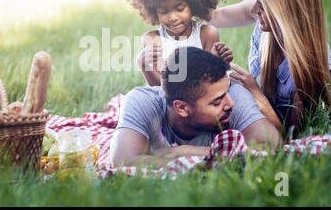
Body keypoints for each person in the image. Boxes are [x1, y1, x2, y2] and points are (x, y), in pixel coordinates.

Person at [208, 0, 331, 136]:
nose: (253, 8)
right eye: (256, 0)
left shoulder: (309, 68)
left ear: (287, 11)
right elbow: (215, 17)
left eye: (263, 5)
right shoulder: (267, 26)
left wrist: (256, 94)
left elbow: (289, 136)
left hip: (266, 128)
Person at [109, 47, 280, 168]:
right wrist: (212, 155)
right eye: (217, 102)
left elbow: (271, 145)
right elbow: (122, 161)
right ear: (182, 108)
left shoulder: (233, 94)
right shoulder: (143, 101)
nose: (230, 104)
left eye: (227, 93)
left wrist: (176, 152)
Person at [129, 0, 233, 87]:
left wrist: (219, 63)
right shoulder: (153, 39)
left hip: (203, 98)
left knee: (236, 86)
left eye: (179, 9)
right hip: (168, 100)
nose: (172, 17)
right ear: (153, 10)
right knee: (137, 96)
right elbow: (158, 88)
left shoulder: (207, 33)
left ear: (194, 4)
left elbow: (212, 84)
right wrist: (143, 65)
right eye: (164, 11)